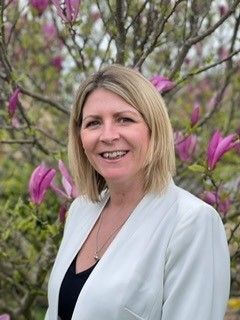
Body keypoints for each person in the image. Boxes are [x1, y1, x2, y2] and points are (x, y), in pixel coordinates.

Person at [45, 64, 230, 320]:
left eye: (125, 119)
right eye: (94, 123)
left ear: (153, 130)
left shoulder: (192, 223)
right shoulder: (81, 210)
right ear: (80, 138)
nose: (108, 135)